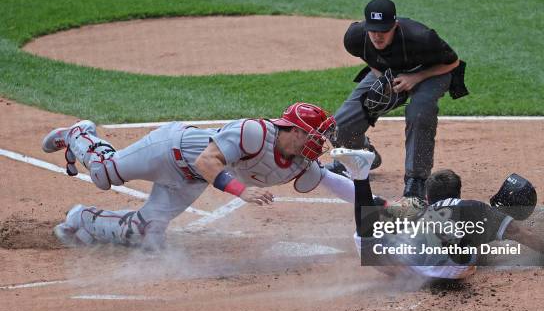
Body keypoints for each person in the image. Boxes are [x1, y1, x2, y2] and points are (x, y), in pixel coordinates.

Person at [42, 103, 358, 250]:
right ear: (293, 129)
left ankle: (81, 221)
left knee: (146, 233)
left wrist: (384, 207)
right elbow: (208, 162)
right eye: (313, 134)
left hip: (188, 180)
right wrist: (241, 192)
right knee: (103, 173)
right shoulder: (253, 133)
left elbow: (340, 187)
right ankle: (79, 134)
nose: (319, 142)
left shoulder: (299, 164)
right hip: (170, 150)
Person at [328, 148, 544, 280]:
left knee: (367, 234)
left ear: (428, 197)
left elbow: (379, 204)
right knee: (470, 240)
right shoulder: (474, 207)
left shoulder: (416, 205)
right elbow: (520, 232)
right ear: (457, 192)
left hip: (402, 261)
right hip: (448, 267)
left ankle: (360, 178)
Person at [327, 0, 468, 201]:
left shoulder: (421, 37)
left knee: (419, 111)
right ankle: (363, 154)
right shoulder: (355, 37)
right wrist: (382, 78)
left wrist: (415, 78)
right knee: (339, 124)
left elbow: (452, 62)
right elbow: (369, 57)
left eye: (383, 30)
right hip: (392, 72)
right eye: (373, 29)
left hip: (431, 73)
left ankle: (416, 180)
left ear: (395, 25)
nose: (377, 36)